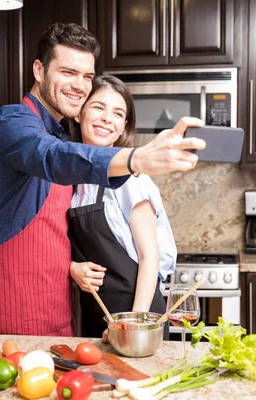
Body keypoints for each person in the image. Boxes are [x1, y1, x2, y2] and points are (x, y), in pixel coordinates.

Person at [0, 22, 205, 337]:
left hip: (53, 301)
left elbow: (54, 236)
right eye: (68, 72)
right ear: (38, 70)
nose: (79, 85)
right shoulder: (12, 124)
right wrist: (138, 158)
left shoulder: (61, 139)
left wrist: (69, 267)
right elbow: (51, 158)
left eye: (86, 76)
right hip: (10, 295)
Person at [67, 75, 174, 340]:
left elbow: (150, 257)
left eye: (117, 113)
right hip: (96, 316)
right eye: (98, 107)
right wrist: (72, 267)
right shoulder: (70, 179)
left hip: (138, 316)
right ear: (79, 113)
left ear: (123, 126)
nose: (107, 118)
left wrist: (134, 324)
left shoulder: (131, 178)